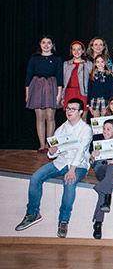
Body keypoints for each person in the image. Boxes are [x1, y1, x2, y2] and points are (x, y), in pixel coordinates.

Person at [15, 98, 92, 238]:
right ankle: (33, 213)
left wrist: (72, 170)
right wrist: (52, 152)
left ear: (80, 112)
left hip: (79, 164)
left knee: (69, 182)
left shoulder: (85, 129)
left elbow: (81, 151)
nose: (69, 112)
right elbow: (55, 152)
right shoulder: (61, 129)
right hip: (61, 162)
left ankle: (63, 220)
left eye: (73, 109)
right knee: (36, 177)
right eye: (68, 109)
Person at [89, 119, 113, 239]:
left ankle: (98, 223)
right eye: (104, 129)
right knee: (108, 175)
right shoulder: (98, 143)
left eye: (108, 129)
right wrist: (92, 157)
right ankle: (106, 198)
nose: (105, 131)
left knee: (111, 168)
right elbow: (92, 164)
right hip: (101, 170)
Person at [25, 36, 63, 152]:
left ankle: (49, 144)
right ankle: (42, 145)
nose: (46, 45)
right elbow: (28, 76)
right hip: (37, 87)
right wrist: (27, 94)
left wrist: (59, 94)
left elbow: (60, 78)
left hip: (52, 87)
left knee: (50, 117)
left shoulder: (57, 59)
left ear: (53, 45)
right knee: (40, 118)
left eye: (49, 43)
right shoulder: (34, 58)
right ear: (40, 44)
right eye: (44, 43)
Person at [62, 41, 91, 121]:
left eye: (79, 49)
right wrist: (62, 96)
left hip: (83, 93)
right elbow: (63, 81)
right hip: (69, 92)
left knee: (83, 117)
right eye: (74, 49)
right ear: (71, 51)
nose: (76, 52)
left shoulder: (88, 64)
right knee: (70, 117)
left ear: (82, 51)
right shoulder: (66, 64)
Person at [87, 54, 113, 118]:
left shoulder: (109, 75)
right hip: (94, 98)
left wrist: (111, 101)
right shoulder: (92, 75)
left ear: (105, 63)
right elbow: (89, 89)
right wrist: (88, 104)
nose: (100, 64)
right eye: (98, 62)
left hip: (105, 99)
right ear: (95, 64)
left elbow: (111, 89)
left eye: (102, 62)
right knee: (96, 118)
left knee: (104, 117)